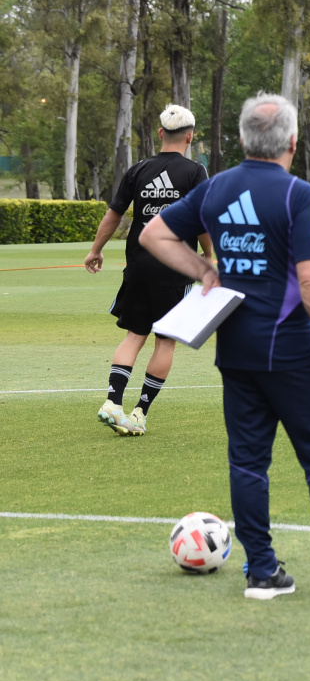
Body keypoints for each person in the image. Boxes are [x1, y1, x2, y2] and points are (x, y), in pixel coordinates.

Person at [139, 93, 310, 602]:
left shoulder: (217, 188)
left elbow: (154, 234)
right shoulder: (300, 195)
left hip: (235, 349)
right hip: (294, 350)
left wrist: (204, 269)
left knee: (247, 462)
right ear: (293, 142)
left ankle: (261, 572)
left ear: (243, 139)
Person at [84, 104, 212, 436]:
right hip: (175, 270)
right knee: (166, 341)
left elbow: (114, 214)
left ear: (160, 133)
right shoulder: (195, 171)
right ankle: (140, 412)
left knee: (134, 335)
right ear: (190, 137)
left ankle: (113, 402)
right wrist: (210, 256)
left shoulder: (138, 169)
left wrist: (96, 250)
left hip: (138, 265)